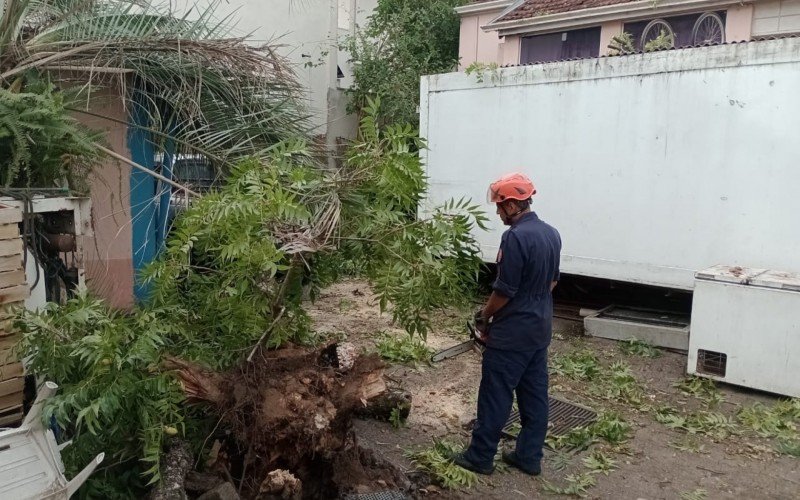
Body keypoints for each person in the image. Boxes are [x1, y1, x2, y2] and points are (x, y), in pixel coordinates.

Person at [453, 172, 562, 476]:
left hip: (512, 333)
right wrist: (533, 303)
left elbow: (504, 290)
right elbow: (552, 281)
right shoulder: (552, 233)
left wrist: (485, 315)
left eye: (501, 206)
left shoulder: (514, 237)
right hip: (539, 329)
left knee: (496, 394)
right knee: (534, 396)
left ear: (513, 205)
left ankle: (480, 456)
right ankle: (529, 456)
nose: (498, 212)